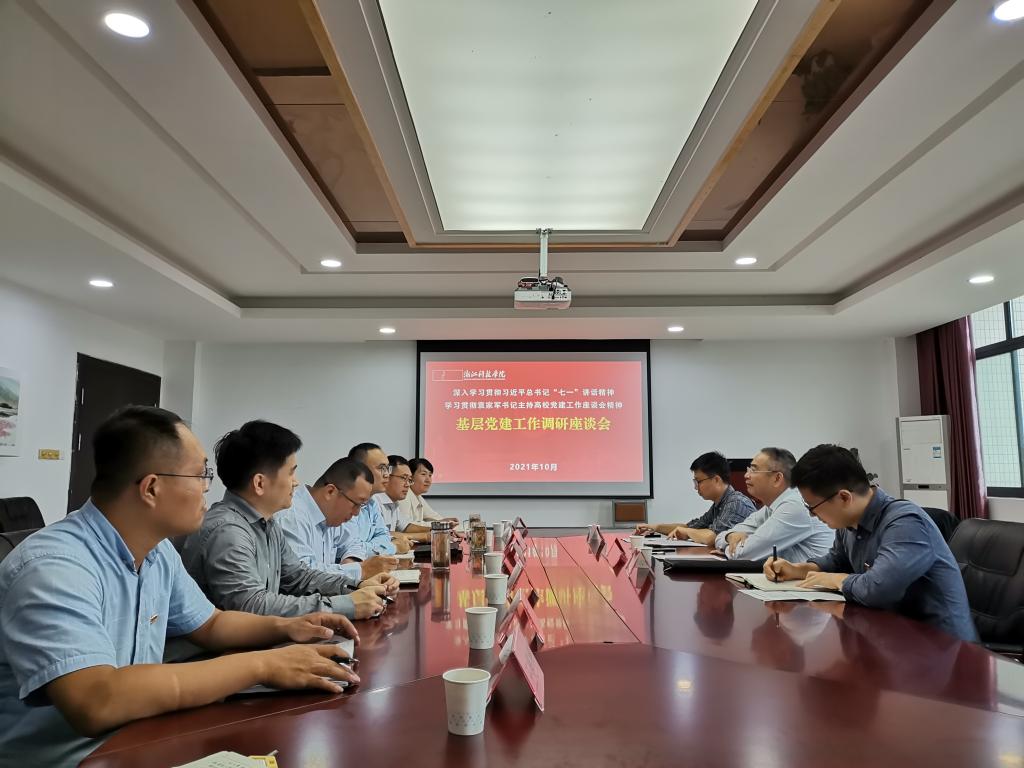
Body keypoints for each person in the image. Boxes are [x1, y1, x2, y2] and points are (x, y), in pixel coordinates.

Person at [0, 407, 360, 768]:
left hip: (139, 741)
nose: (208, 487)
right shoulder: (54, 567)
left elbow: (211, 624)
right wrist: (263, 665)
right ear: (151, 488)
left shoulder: (157, 553)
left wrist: (290, 626)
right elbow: (97, 700)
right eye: (200, 474)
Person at [764, 444, 978, 642]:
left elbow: (879, 588)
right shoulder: (848, 522)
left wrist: (838, 580)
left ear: (844, 498)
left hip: (944, 650)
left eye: (812, 507)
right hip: (893, 638)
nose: (812, 515)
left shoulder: (905, 523)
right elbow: (837, 560)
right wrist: (798, 570)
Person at [180, 422, 390, 621]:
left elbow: (299, 576)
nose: (296, 482)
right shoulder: (228, 531)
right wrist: (346, 605)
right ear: (260, 483)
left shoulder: (267, 524)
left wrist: (356, 586)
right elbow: (252, 605)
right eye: (291, 472)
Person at [276, 457, 400, 583]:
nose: (357, 513)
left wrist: (352, 561)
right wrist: (361, 571)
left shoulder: (330, 514)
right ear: (330, 492)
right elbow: (301, 575)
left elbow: (353, 543)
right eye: (356, 504)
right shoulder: (291, 516)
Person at [715, 447, 833, 562]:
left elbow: (743, 555)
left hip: (812, 575)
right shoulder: (771, 506)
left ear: (777, 478)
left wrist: (728, 547)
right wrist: (730, 536)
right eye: (748, 469)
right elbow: (720, 538)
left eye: (754, 470)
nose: (746, 475)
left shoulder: (794, 505)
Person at [636, 452, 755, 546]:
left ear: (716, 480)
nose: (695, 487)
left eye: (698, 481)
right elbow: (691, 527)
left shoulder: (736, 503)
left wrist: (686, 532)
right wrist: (655, 527)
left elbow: (712, 537)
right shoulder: (719, 504)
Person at [338, 443, 405, 558]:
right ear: (359, 470)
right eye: (381, 468)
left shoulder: (372, 502)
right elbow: (351, 550)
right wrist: (393, 547)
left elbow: (384, 535)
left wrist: (375, 546)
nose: (387, 475)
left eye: (387, 468)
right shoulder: (344, 502)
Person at [397, 457, 458, 542]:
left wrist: (446, 523)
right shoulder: (403, 496)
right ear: (410, 476)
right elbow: (406, 527)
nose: (428, 480)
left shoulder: (417, 496)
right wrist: (441, 525)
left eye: (430, 475)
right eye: (423, 474)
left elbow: (434, 516)